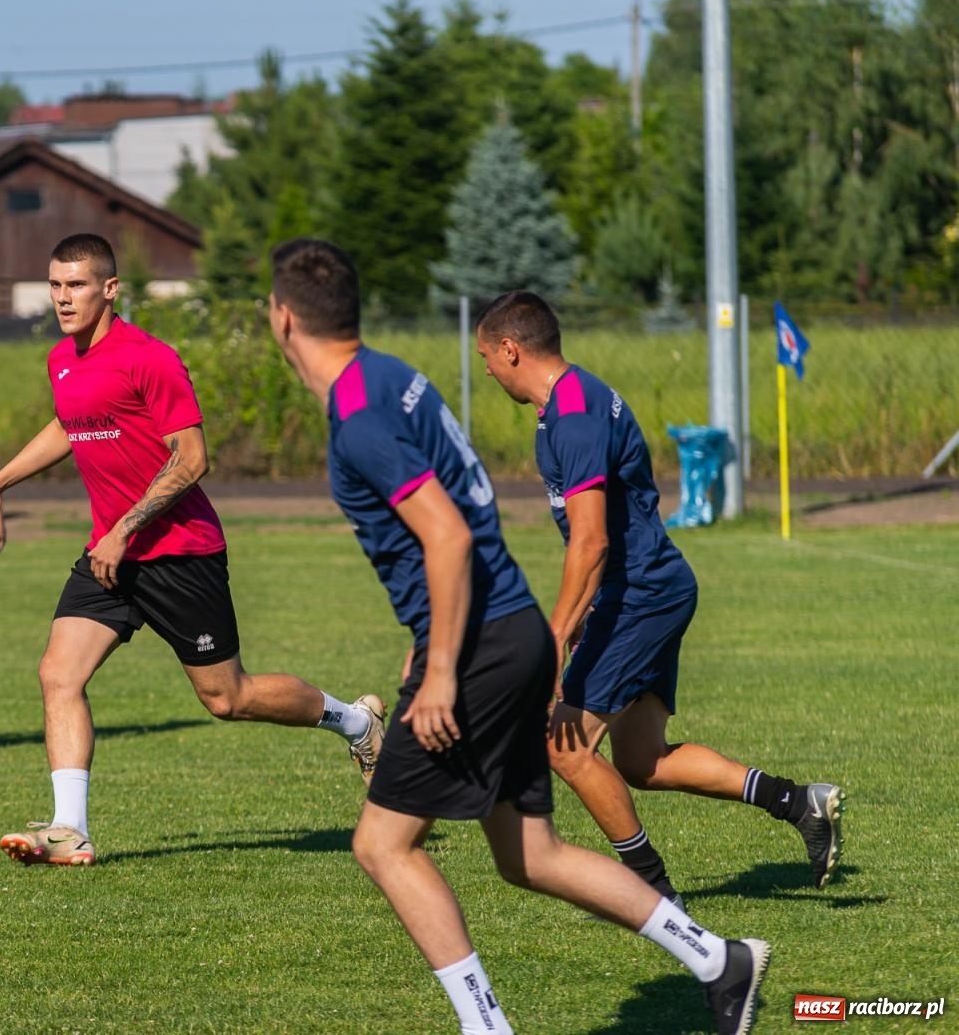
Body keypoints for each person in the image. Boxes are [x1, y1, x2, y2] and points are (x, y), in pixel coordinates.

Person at [268, 238, 769, 1035]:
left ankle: (487, 1026)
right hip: (507, 630)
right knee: (529, 855)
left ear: (283, 319)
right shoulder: (393, 378)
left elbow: (447, 534)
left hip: (477, 649)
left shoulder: (360, 415)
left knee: (383, 845)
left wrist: (440, 666)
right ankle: (718, 959)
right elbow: (468, 514)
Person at [0, 232, 386, 867]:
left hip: (180, 553)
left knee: (228, 698)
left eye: (76, 285)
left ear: (110, 289)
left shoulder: (150, 358)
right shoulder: (62, 360)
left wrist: (124, 529)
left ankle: (356, 723)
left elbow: (192, 458)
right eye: (55, 285)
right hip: (110, 557)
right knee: (58, 673)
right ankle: (70, 828)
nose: (63, 298)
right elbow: (69, 423)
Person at [473, 290, 844, 897]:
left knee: (565, 747)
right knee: (642, 761)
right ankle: (797, 802)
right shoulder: (565, 406)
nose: (486, 370)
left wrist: (553, 639)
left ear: (510, 349)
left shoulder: (575, 413)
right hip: (646, 589)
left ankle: (655, 895)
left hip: (640, 594)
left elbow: (591, 541)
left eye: (486, 356)